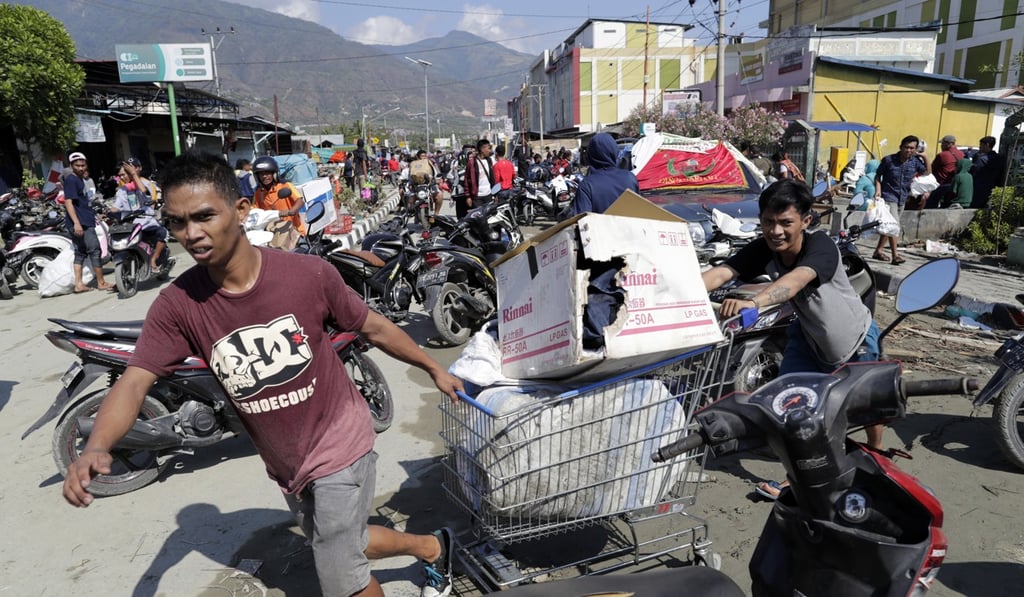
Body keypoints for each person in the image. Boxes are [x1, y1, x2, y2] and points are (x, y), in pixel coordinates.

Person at [61, 151, 464, 597]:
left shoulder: (308, 275)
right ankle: (433, 547)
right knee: (344, 542)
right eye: (177, 222)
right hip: (285, 461)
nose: (191, 234)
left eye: (204, 216)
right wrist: (97, 445)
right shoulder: (178, 305)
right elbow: (136, 379)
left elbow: (371, 325)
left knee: (340, 576)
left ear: (241, 210)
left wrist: (432, 367)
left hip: (340, 443)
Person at [702, 179, 881, 500]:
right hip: (808, 338)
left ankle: (877, 455)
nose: (776, 231)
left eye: (786, 222)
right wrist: (674, 292)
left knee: (869, 408)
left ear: (805, 221)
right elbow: (722, 273)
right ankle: (797, 476)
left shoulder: (821, 246)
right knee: (793, 410)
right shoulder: (763, 248)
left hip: (854, 339)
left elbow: (796, 281)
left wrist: (753, 303)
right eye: (768, 222)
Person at [62, 152, 112, 293]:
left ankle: (79, 284)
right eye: (77, 165)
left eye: (83, 165)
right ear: (72, 166)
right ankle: (101, 282)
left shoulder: (79, 180)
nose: (80, 168)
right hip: (81, 223)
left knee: (80, 253)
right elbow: (68, 202)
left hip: (83, 221)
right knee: (95, 250)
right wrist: (77, 223)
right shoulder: (72, 180)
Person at [873, 135, 926, 265]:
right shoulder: (889, 160)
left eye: (912, 148)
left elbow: (927, 173)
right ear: (901, 147)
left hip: (903, 197)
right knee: (894, 225)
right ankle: (895, 255)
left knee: (889, 226)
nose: (909, 150)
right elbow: (878, 175)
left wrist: (924, 157)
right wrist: (878, 190)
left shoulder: (915, 162)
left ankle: (878, 251)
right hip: (888, 195)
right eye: (906, 147)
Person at [113, 158, 168, 271]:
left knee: (163, 233)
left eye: (125, 174)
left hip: (146, 222)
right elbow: (116, 207)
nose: (122, 177)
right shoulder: (121, 190)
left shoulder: (145, 183)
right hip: (129, 225)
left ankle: (153, 259)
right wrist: (107, 213)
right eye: (120, 175)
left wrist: (133, 174)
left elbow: (145, 192)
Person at [572, 132, 639, 215]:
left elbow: (582, 222)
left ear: (591, 155)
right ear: (615, 152)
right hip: (629, 228)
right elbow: (638, 212)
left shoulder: (586, 186)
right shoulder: (630, 178)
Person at [252, 156, 306, 236]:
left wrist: (291, 211)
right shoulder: (259, 193)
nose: (264, 176)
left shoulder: (285, 185)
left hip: (294, 231)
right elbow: (255, 210)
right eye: (261, 174)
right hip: (273, 233)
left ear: (274, 174)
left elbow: (300, 200)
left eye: (267, 173)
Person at [926, 135, 964, 208]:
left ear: (948, 144)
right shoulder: (961, 154)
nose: (941, 146)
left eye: (942, 143)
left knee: (931, 203)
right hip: (954, 184)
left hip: (941, 183)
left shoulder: (942, 155)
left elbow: (932, 168)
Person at [971, 136, 1004, 208]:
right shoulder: (999, 158)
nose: (980, 147)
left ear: (987, 145)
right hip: (993, 187)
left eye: (981, 145)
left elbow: (974, 172)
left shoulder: (982, 159)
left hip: (979, 187)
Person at [464, 138, 494, 210]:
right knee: (479, 219)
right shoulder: (472, 162)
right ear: (482, 149)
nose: (489, 151)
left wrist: (494, 194)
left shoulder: (489, 160)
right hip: (477, 197)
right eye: (488, 148)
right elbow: (466, 180)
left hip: (488, 195)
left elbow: (492, 178)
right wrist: (468, 197)